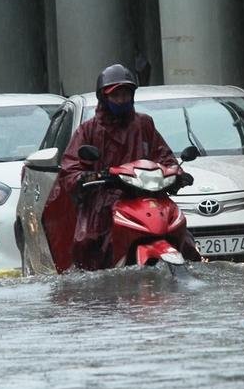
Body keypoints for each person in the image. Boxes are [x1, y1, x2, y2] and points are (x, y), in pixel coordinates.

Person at [43, 63, 195, 271]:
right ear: (104, 98)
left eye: (126, 94)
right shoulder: (88, 131)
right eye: (116, 96)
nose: (122, 100)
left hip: (149, 198)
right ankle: (88, 285)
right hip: (103, 201)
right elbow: (70, 168)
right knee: (88, 242)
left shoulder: (144, 124)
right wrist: (87, 177)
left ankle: (191, 270)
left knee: (184, 235)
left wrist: (178, 173)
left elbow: (164, 156)